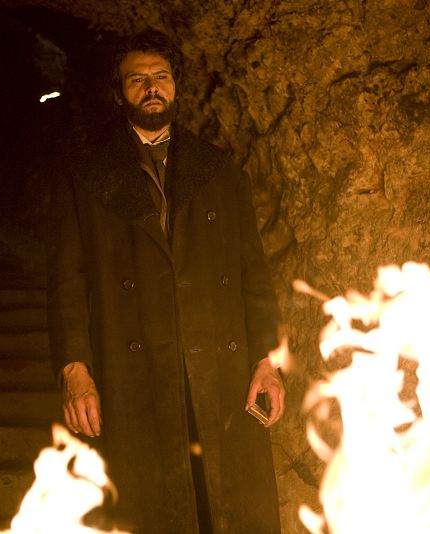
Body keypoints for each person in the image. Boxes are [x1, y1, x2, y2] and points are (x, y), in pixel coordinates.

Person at [46, 30, 284, 533]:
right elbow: (68, 280)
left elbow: (253, 274)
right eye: (137, 80)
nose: (151, 87)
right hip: (135, 369)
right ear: (118, 94)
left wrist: (267, 359)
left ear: (176, 86)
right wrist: (75, 370)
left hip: (218, 368)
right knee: (153, 507)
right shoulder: (86, 176)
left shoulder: (219, 170)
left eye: (161, 77)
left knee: (231, 505)